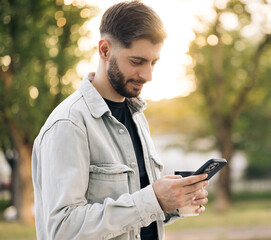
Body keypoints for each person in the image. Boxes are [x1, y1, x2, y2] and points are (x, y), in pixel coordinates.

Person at [31, 1, 209, 239]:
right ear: (104, 50)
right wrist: (152, 199)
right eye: (137, 62)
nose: (148, 75)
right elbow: (62, 229)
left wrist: (173, 202)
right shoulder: (69, 124)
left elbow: (136, 213)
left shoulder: (136, 116)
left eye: (153, 62)